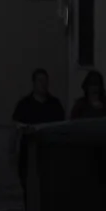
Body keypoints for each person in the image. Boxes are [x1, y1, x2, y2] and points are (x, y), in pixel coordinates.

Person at [10, 68, 67, 200]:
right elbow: (16, 128)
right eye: (40, 81)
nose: (43, 84)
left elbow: (61, 128)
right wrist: (13, 150)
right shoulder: (24, 104)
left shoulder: (54, 104)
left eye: (46, 81)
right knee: (29, 191)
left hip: (49, 155)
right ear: (34, 83)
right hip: (29, 155)